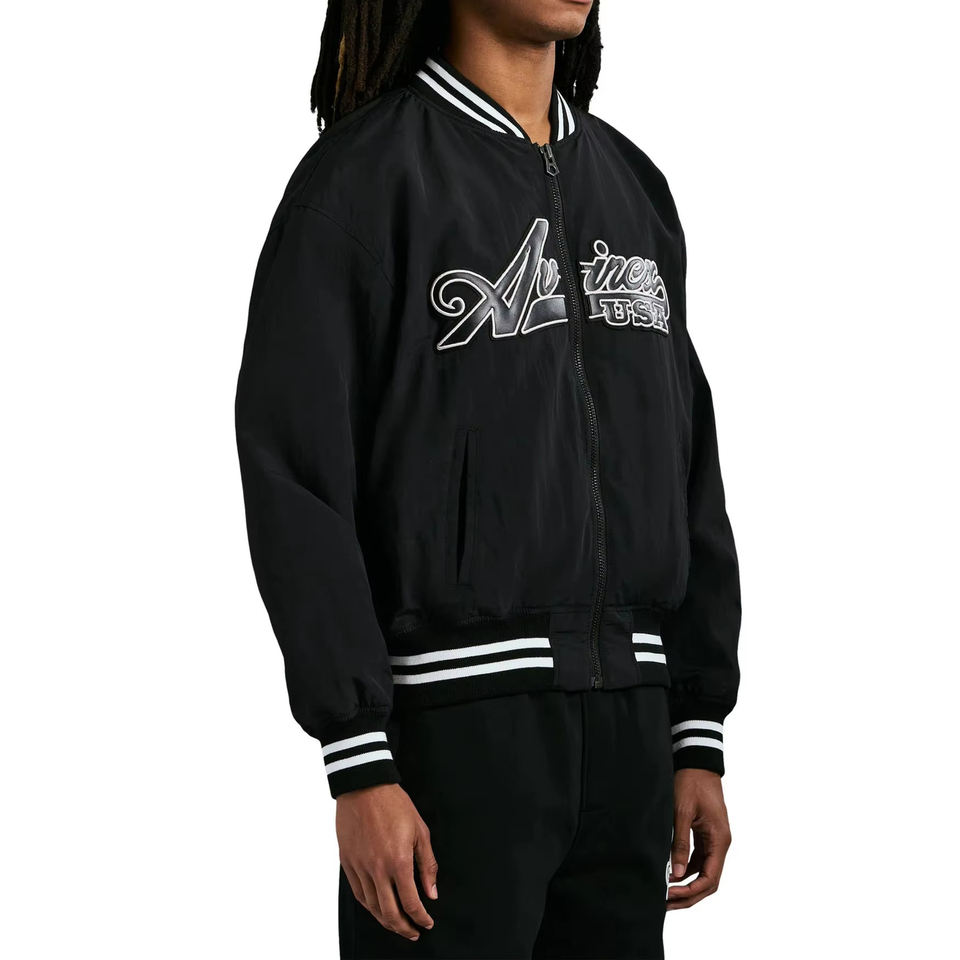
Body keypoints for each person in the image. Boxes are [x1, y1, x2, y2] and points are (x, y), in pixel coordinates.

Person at [236, 1, 740, 956]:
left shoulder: (634, 188)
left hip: (632, 732)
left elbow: (690, 463)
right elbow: (297, 479)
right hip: (452, 741)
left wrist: (695, 728)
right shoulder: (361, 184)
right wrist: (358, 758)